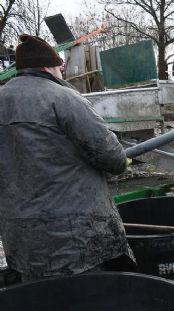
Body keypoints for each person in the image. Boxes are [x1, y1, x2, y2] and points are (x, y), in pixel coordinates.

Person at [0, 34, 135, 282]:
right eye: (60, 67)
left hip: (20, 238)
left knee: (42, 309)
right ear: (49, 67)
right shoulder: (64, 98)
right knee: (84, 307)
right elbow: (114, 160)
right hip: (75, 239)